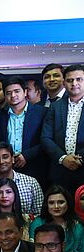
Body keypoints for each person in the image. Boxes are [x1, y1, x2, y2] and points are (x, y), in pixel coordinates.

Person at [0, 76, 47, 185]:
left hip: (35, 166)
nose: (13, 96)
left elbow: (46, 140)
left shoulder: (42, 113)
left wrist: (26, 155)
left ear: (25, 92)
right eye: (8, 93)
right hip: (7, 168)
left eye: (17, 91)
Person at [41, 64, 84, 194]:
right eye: (70, 80)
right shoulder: (56, 106)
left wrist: (79, 158)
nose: (74, 83)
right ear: (64, 83)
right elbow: (45, 137)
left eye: (79, 79)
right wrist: (63, 158)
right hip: (60, 169)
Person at [29, 185, 84, 252]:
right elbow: (34, 249)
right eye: (51, 203)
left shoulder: (78, 227)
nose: (56, 206)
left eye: (61, 202)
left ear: (68, 203)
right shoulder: (37, 223)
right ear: (46, 205)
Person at [0, 142, 44, 216]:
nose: (1, 162)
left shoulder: (31, 183)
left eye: (5, 157)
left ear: (13, 159)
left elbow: (40, 213)